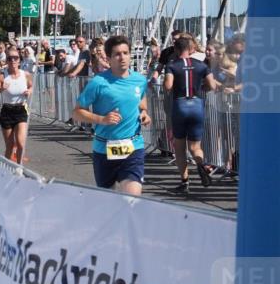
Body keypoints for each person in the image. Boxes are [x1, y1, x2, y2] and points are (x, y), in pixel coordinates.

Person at [71, 35, 151, 196]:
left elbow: (142, 104)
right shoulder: (98, 82)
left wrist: (144, 114)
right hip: (104, 148)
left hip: (133, 147)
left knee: (132, 199)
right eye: (117, 54)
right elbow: (76, 112)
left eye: (125, 53)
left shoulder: (139, 80)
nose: (122, 57)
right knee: (108, 202)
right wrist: (102, 120)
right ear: (109, 58)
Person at [163, 34, 218, 192]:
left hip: (180, 104)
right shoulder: (201, 65)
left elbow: (168, 86)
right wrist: (202, 88)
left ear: (176, 49)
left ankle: (185, 182)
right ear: (191, 48)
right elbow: (212, 86)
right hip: (197, 105)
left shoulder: (172, 65)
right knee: (195, 146)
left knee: (179, 147)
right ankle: (201, 164)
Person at [0, 47, 33, 164]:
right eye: (10, 58)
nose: (13, 60)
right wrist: (0, 89)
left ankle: (19, 168)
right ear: (7, 61)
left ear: (19, 60)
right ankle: (6, 169)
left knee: (20, 143)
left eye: (16, 58)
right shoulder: (2, 76)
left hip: (21, 110)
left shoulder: (26, 75)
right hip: (7, 111)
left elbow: (31, 86)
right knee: (10, 146)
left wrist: (29, 91)